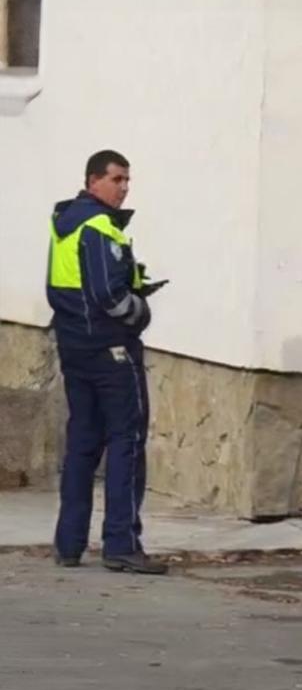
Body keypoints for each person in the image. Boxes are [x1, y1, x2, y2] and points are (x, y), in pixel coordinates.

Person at [46, 150, 170, 574]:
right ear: (93, 180)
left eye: (127, 180)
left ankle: (69, 543)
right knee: (126, 440)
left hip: (75, 348)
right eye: (117, 179)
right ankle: (121, 543)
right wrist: (140, 309)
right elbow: (106, 296)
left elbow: (71, 288)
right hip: (109, 350)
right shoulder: (98, 227)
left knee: (82, 444)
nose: (124, 187)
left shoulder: (65, 223)